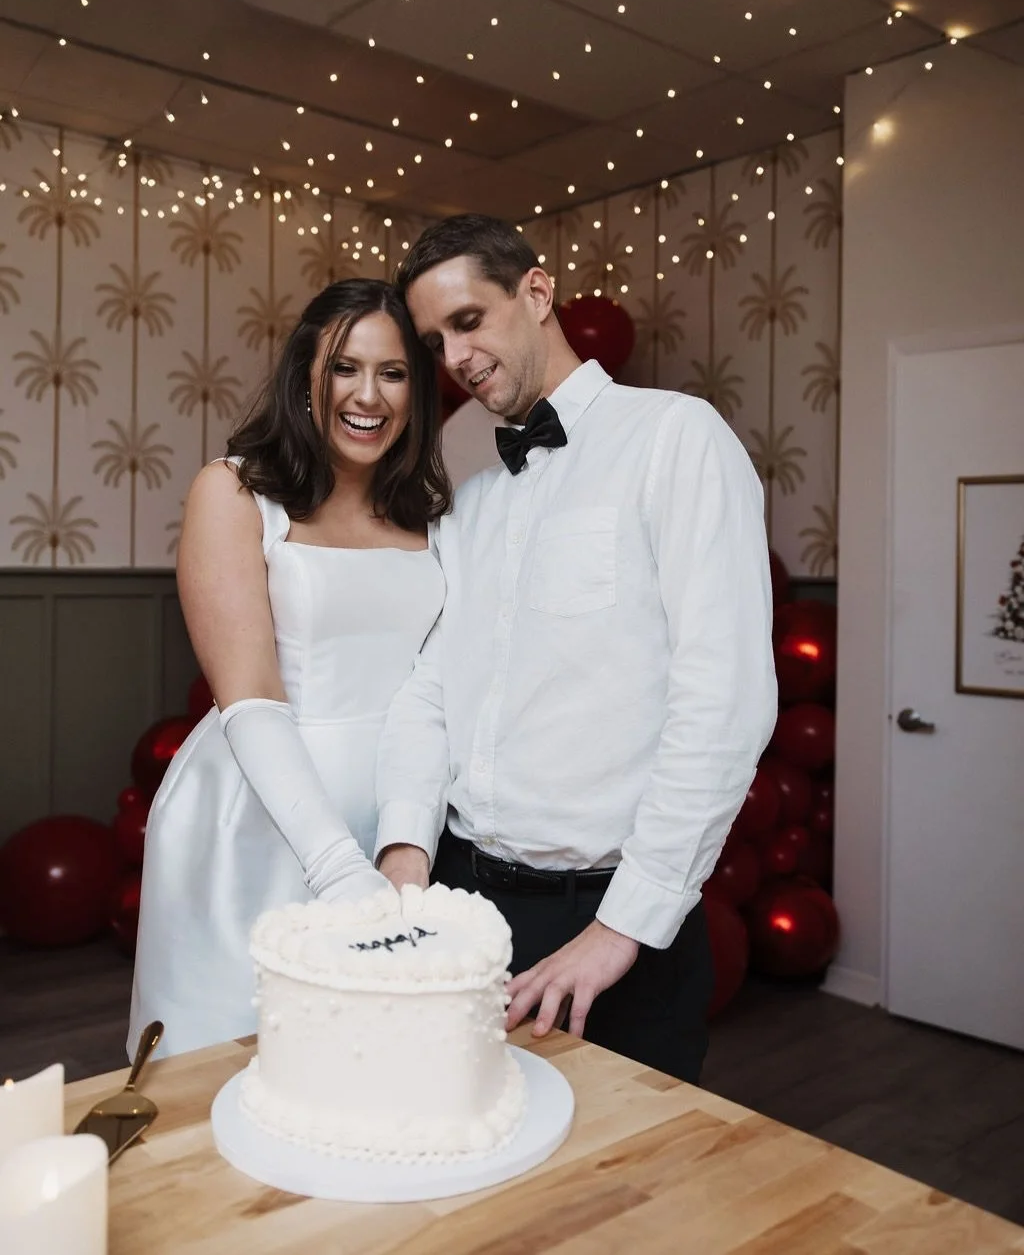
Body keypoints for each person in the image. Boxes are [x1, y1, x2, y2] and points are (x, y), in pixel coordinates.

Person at [375, 215, 776, 1083]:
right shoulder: (473, 502)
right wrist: (405, 848)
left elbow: (726, 700)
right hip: (463, 906)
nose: (456, 358)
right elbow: (430, 690)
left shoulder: (677, 438)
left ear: (537, 290)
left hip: (614, 924)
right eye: (436, 341)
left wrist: (621, 927)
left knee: (623, 1206)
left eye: (469, 320)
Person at [129, 279, 450, 1059]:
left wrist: (406, 840)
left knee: (369, 1073)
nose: (367, 395)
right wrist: (338, 867)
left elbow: (432, 689)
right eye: (345, 367)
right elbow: (251, 696)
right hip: (261, 815)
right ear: (306, 373)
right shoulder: (235, 492)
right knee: (224, 1066)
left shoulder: (434, 515)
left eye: (394, 372)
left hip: (392, 811)